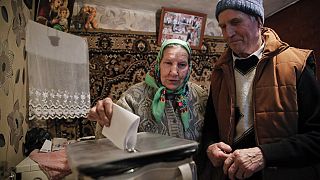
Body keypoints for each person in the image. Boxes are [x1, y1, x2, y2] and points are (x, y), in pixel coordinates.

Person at [196, 0, 320, 180]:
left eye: (235, 22)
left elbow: (316, 137)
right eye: (223, 26)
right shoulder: (220, 71)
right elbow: (210, 127)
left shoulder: (297, 65)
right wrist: (210, 147)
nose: (228, 33)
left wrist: (264, 155)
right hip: (230, 174)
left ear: (259, 22)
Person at [88, 39, 207, 142]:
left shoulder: (200, 96)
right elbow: (110, 142)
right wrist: (105, 117)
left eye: (182, 65)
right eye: (168, 63)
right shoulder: (133, 97)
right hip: (149, 168)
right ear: (158, 64)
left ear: (189, 67)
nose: (174, 72)